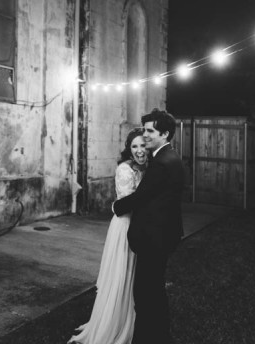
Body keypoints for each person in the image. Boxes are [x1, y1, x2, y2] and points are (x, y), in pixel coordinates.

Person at [68, 128, 148, 344]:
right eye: (134, 146)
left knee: (134, 277)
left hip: (140, 227)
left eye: (142, 145)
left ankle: (132, 319)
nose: (139, 150)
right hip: (125, 227)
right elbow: (127, 204)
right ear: (129, 150)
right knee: (121, 275)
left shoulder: (148, 169)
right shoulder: (125, 169)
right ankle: (113, 323)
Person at [113, 108, 185, 344]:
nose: (145, 135)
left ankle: (146, 338)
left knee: (145, 295)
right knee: (155, 291)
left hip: (154, 238)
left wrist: (117, 207)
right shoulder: (170, 157)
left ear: (164, 134)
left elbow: (141, 197)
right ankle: (161, 336)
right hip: (164, 235)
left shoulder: (162, 163)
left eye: (150, 131)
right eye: (144, 130)